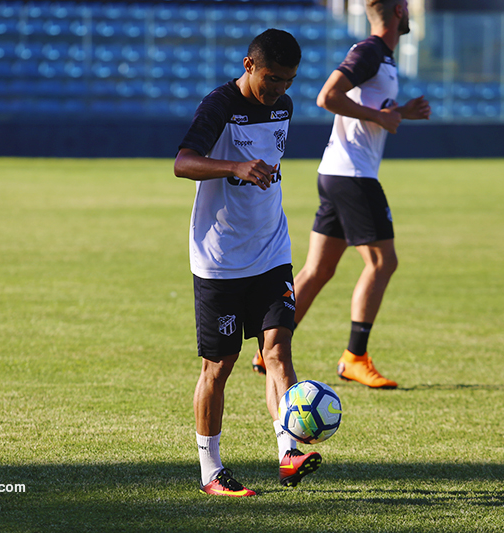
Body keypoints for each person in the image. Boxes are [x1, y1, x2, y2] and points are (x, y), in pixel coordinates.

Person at [252, 0, 430, 389]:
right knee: (383, 262)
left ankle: (268, 349)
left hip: (337, 172)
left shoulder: (379, 56)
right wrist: (383, 116)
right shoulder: (369, 52)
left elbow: (366, 107)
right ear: (399, 9)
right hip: (352, 176)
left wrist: (399, 111)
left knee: (319, 269)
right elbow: (328, 96)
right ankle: (355, 356)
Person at [174, 29, 322, 498]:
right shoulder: (219, 105)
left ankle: (289, 451)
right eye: (273, 78)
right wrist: (235, 167)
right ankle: (210, 471)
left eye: (289, 81)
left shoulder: (284, 107)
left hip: (272, 250)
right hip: (220, 259)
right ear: (248, 65)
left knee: (277, 351)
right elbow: (182, 162)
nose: (280, 89)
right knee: (219, 366)